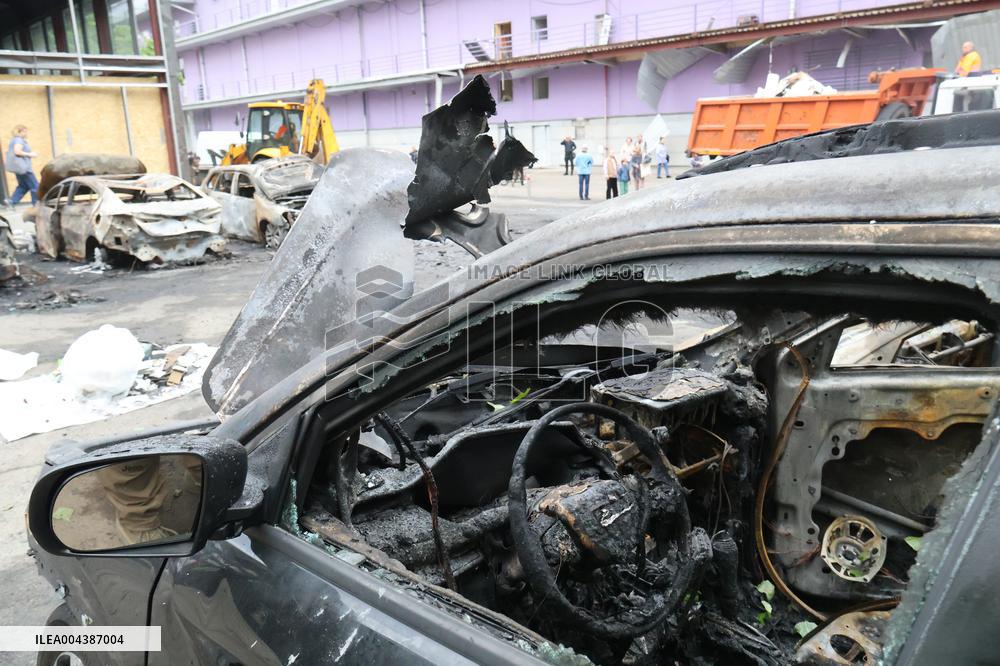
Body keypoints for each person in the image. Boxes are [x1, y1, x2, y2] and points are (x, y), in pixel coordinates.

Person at [6, 125, 39, 206]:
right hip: (24, 169)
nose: (26, 133)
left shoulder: (14, 140)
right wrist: (30, 154)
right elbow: (17, 151)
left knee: (23, 186)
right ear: (20, 131)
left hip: (19, 168)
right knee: (36, 186)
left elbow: (8, 151)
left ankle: (11, 202)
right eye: (25, 131)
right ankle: (36, 205)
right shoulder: (19, 140)